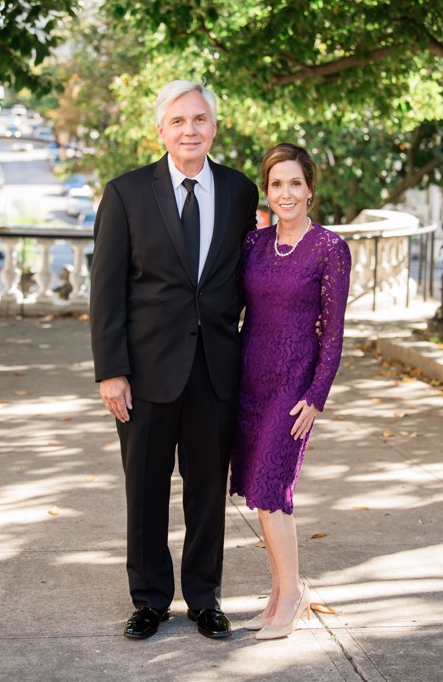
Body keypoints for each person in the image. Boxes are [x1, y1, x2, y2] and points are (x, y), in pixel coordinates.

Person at [90, 80, 258, 640]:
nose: (190, 130)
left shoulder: (238, 192)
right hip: (145, 372)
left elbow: (246, 277)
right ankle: (150, 599)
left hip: (216, 370)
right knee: (146, 490)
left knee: (208, 492)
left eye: (200, 119)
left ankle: (205, 598)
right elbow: (106, 290)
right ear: (160, 129)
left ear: (214, 127)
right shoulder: (126, 193)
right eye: (179, 121)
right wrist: (110, 370)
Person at [229, 143, 351, 640]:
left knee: (275, 491)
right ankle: (280, 593)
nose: (286, 193)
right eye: (277, 184)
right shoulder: (255, 245)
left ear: (310, 190)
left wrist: (316, 396)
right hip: (249, 379)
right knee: (259, 492)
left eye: (295, 183)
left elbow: (334, 332)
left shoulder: (329, 248)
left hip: (294, 386)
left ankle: (294, 594)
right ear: (267, 189)